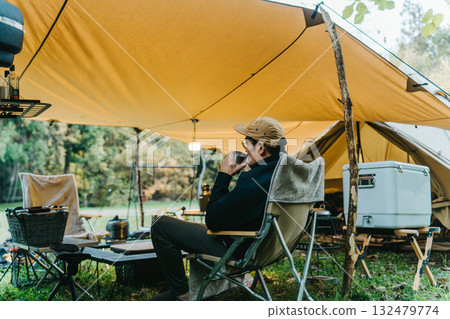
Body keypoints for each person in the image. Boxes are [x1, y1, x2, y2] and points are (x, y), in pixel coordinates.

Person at [150, 117, 286, 301]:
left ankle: (180, 293)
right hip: (270, 250)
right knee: (191, 228)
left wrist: (224, 175)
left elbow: (213, 220)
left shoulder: (254, 179)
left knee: (161, 225)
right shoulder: (284, 175)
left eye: (247, 145)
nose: (245, 150)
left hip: (237, 249)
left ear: (261, 148)